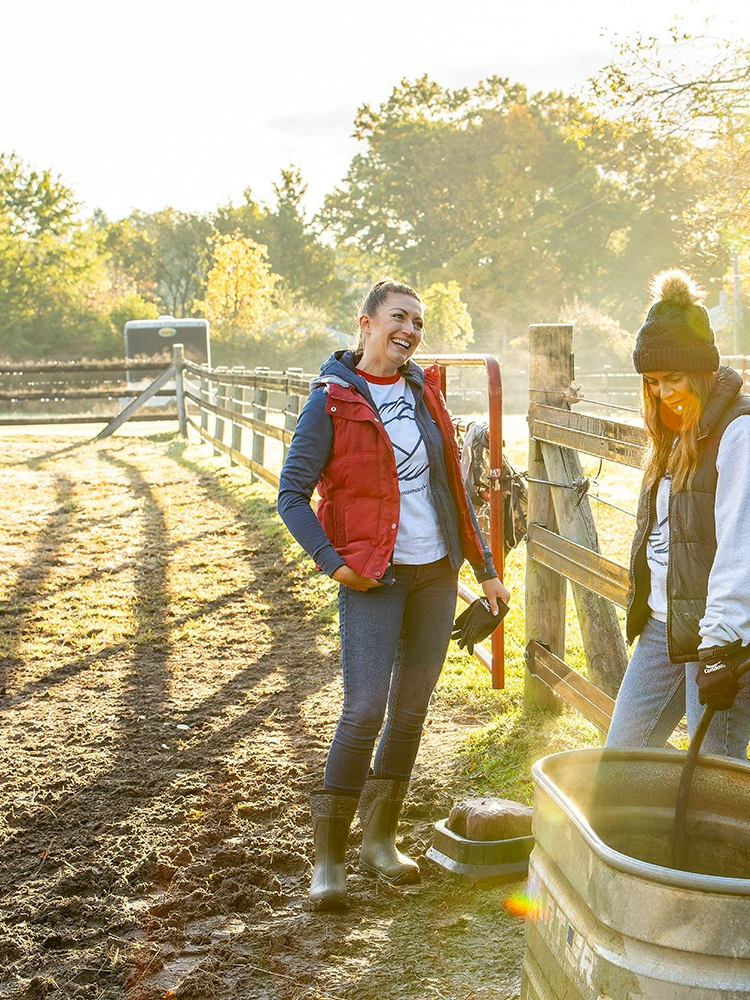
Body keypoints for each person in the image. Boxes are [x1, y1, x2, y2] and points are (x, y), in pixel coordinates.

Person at [277, 279, 511, 910]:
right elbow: (291, 496)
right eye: (399, 318)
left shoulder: (422, 394)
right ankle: (328, 859)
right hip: (372, 577)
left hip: (435, 574)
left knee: (410, 711)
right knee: (364, 711)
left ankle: (379, 840)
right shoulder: (329, 402)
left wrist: (484, 567)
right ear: (366, 323)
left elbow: (454, 491)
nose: (410, 330)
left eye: (419, 323)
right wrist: (333, 564)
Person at [604, 269, 750, 760]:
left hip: (719, 635)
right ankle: (645, 838)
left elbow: (744, 545)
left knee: (711, 775)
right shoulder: (676, 429)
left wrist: (721, 644)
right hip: (665, 625)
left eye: (674, 378)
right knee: (623, 759)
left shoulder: (743, 432)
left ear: (702, 371)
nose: (663, 392)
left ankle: (709, 838)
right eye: (652, 382)